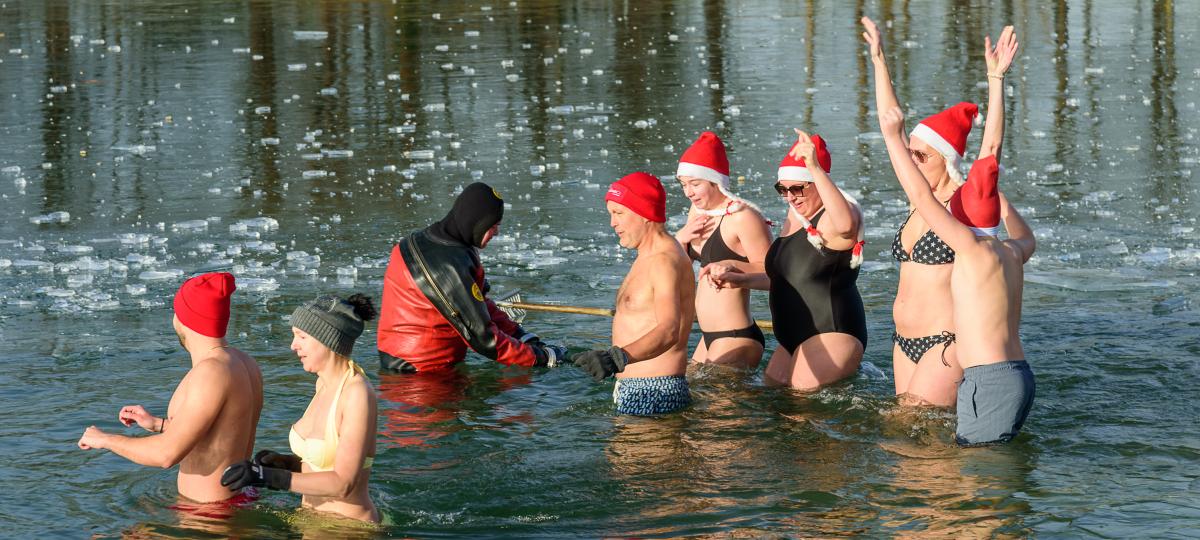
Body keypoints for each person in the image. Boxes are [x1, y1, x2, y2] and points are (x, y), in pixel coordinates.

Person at [862, 17, 1019, 407]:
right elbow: (890, 127)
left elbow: (991, 151)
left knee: (911, 427)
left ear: (946, 160)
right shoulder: (919, 200)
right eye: (910, 152)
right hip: (904, 342)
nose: (910, 160)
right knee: (911, 448)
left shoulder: (963, 205)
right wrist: (880, 62)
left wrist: (995, 81)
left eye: (921, 155)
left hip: (945, 343)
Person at [878, 105, 1036, 445]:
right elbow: (990, 157)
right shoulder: (1010, 250)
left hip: (953, 350)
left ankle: (941, 496)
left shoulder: (968, 246)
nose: (913, 160)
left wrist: (891, 136)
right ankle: (935, 495)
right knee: (918, 434)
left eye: (920, 155)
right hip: (1012, 372)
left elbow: (921, 191)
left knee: (918, 436)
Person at [78, 272, 264, 505]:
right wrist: (159, 425)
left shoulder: (210, 372)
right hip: (240, 498)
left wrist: (105, 439)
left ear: (185, 319)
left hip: (207, 516)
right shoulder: (244, 362)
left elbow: (166, 455)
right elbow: (223, 433)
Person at [704, 131, 867, 389]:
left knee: (799, 415)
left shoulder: (835, 217)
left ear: (818, 182)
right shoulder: (796, 218)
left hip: (830, 332)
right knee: (777, 407)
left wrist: (814, 167)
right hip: (793, 339)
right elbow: (789, 279)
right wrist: (740, 280)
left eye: (797, 189)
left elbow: (846, 226)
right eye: (783, 189)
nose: (790, 197)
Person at [221, 293, 382, 522]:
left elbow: (343, 483)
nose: (293, 346)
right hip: (311, 521)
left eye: (301, 336)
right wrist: (285, 463)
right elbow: (324, 463)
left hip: (348, 528)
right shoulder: (323, 383)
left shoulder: (356, 394)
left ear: (327, 339)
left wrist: (268, 477)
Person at [376, 182, 566, 374]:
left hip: (411, 363)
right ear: (476, 223)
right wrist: (542, 358)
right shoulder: (447, 268)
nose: (497, 233)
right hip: (420, 377)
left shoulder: (436, 241)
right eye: (493, 226)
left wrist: (522, 337)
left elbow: (479, 305)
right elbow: (485, 339)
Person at [572, 172, 697, 415]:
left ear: (644, 214)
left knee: (637, 455)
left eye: (619, 213)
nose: (612, 223)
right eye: (610, 214)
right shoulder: (646, 255)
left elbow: (669, 329)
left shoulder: (663, 260)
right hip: (634, 385)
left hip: (654, 390)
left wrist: (615, 359)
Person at [673, 131, 772, 368]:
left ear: (716, 181)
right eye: (684, 184)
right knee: (690, 398)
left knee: (715, 404)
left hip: (735, 335)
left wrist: (734, 266)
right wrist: (680, 240)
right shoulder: (697, 210)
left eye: (695, 184)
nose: (688, 192)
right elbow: (678, 267)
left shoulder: (743, 217)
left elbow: (774, 275)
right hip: (707, 337)